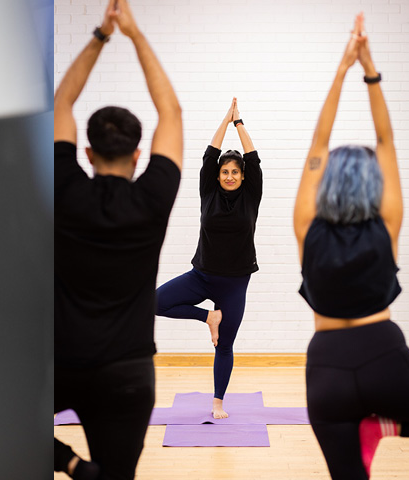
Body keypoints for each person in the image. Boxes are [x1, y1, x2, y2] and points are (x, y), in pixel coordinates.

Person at [53, 0, 182, 478]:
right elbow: (170, 109)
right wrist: (135, 34)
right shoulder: (153, 197)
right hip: (127, 372)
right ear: (137, 154)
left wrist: (101, 35)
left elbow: (61, 102)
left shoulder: (64, 187)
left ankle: (67, 462)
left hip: (60, 363)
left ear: (86, 151)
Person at [293, 13, 409, 480]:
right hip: (385, 356)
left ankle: (375, 424)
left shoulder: (307, 226)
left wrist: (341, 70)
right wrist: (370, 70)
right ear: (374, 184)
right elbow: (385, 139)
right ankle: (387, 420)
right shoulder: (388, 222)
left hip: (326, 369)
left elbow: (318, 140)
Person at [155, 96, 262, 419]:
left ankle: (218, 402)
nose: (229, 176)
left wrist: (239, 123)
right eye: (224, 172)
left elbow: (254, 159)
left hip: (234, 284)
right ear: (217, 177)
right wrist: (224, 120)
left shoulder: (251, 196)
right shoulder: (208, 192)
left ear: (243, 177)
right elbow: (209, 156)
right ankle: (208, 317)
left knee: (224, 345)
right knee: (155, 303)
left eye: (235, 172)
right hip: (201, 275)